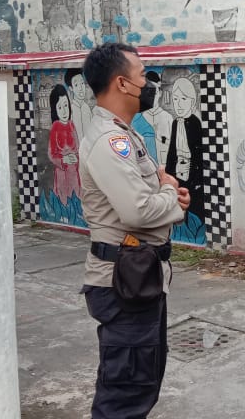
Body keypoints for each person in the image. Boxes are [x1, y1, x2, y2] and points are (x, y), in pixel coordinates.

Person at [77, 42, 190, 418]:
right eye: (143, 76)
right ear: (123, 84)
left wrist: (167, 191)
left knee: (141, 383)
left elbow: (152, 188)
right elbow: (138, 210)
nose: (149, 84)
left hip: (140, 277)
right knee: (124, 395)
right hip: (123, 283)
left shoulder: (126, 134)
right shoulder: (112, 142)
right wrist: (172, 194)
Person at [48, 84, 82, 205]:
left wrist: (76, 158)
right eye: (60, 107)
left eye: (66, 105)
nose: (64, 110)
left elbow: (78, 148)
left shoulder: (72, 125)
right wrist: (63, 159)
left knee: (76, 200)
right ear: (55, 109)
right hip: (62, 175)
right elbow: (51, 154)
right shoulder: (55, 128)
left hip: (74, 172)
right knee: (64, 202)